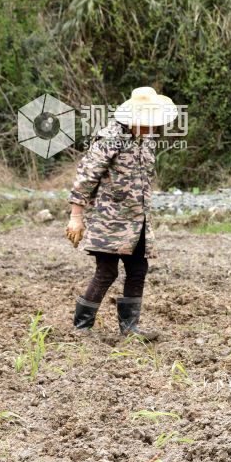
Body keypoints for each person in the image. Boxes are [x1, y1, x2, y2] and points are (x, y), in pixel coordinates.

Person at [64, 87, 178, 341]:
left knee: (139, 269)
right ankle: (81, 328)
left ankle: (130, 328)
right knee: (107, 272)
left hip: (138, 220)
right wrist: (76, 216)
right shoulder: (110, 138)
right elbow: (86, 176)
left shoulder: (147, 139)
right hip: (110, 220)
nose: (153, 126)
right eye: (149, 121)